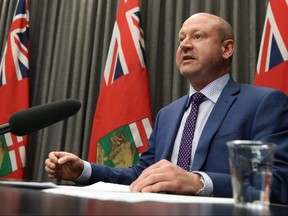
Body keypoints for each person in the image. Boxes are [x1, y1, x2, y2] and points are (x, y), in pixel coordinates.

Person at [45, 12, 288, 204]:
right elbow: (143, 175)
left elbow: (278, 183)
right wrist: (83, 170)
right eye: (181, 39)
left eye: (198, 37)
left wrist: (198, 182)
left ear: (227, 49)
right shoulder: (168, 114)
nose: (185, 45)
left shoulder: (264, 103)